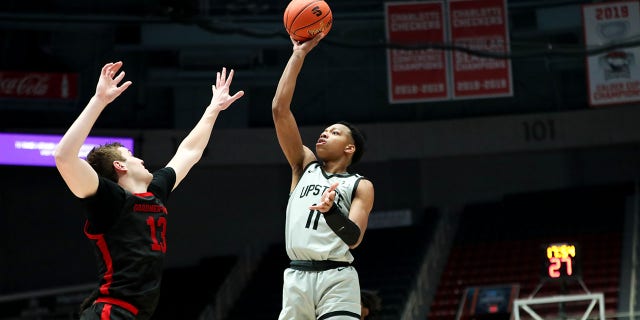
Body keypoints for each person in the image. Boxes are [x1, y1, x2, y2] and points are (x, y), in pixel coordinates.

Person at [53, 61, 244, 319]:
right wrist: (99, 100)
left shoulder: (154, 192)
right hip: (111, 312)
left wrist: (213, 110)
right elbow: (64, 157)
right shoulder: (109, 200)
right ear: (120, 166)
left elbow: (188, 152)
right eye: (131, 155)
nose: (140, 159)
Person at [272, 32, 375, 320]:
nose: (325, 133)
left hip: (337, 277)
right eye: (325, 130)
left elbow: (354, 238)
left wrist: (331, 213)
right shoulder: (303, 165)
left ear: (349, 147)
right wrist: (298, 54)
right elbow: (280, 110)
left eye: (335, 132)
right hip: (296, 276)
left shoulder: (360, 185)